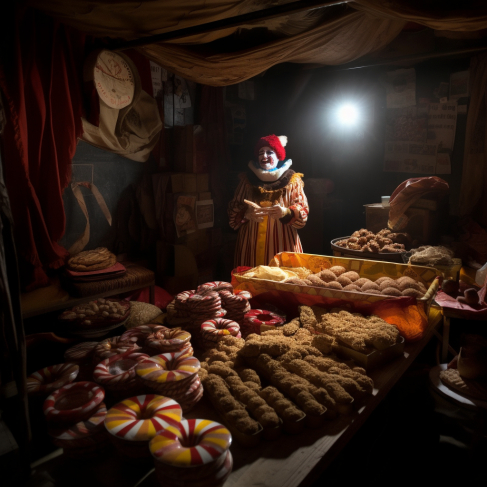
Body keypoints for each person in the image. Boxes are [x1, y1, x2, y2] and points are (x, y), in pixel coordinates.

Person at [228, 134, 309, 267]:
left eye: (269, 152)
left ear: (278, 156)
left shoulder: (293, 180)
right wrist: (245, 214)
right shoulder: (247, 180)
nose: (264, 156)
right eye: (261, 153)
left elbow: (303, 214)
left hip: (284, 248)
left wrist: (286, 212)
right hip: (250, 248)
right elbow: (232, 213)